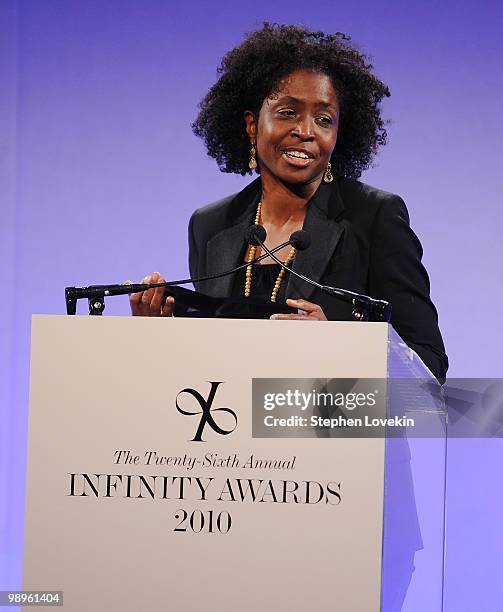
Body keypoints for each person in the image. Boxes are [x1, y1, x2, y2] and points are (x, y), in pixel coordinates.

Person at [130, 23, 448, 381]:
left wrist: (338, 350)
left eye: (324, 119)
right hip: (232, 431)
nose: (307, 131)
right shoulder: (211, 225)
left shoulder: (374, 216)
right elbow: (211, 364)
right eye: (287, 113)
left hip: (335, 432)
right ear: (252, 125)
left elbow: (429, 363)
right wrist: (157, 336)